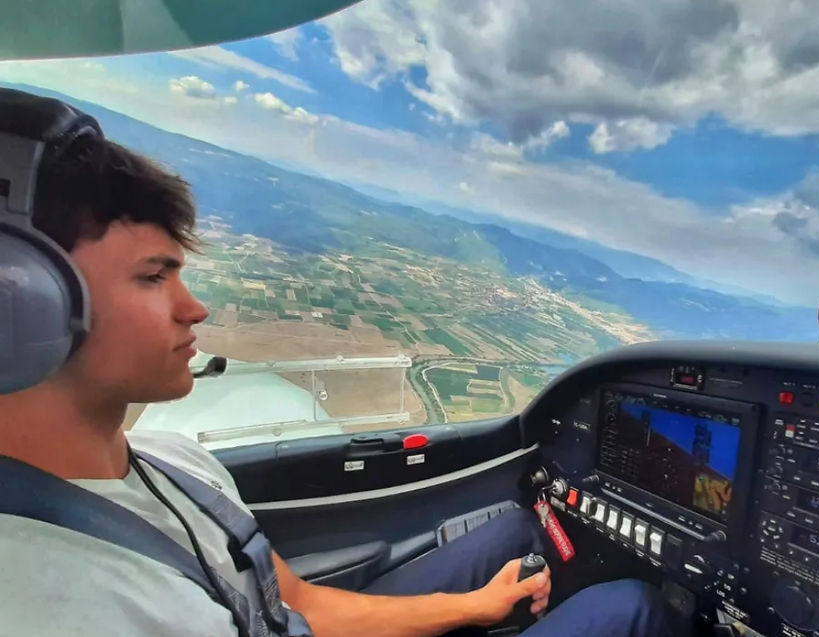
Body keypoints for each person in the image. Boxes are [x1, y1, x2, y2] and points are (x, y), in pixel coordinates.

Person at [0, 90, 672, 637]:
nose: (195, 307)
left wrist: (471, 609)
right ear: (23, 300)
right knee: (631, 608)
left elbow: (301, 605)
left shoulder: (180, 464)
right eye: (153, 277)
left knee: (516, 529)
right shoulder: (52, 602)